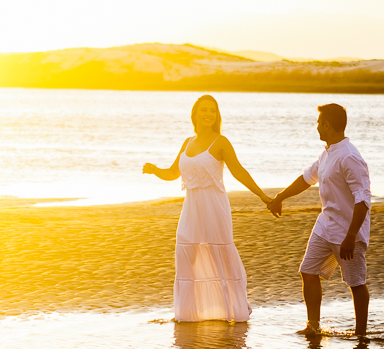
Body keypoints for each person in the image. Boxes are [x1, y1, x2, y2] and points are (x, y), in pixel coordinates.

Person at [143, 95, 274, 322]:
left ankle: (236, 308)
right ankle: (188, 313)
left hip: (214, 206)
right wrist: (155, 170)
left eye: (212, 111)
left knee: (219, 255)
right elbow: (174, 173)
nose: (208, 114)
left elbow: (239, 172)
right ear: (194, 114)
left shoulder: (220, 142)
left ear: (217, 115)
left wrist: (263, 195)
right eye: (204, 110)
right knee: (187, 254)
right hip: (191, 208)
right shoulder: (187, 142)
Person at [267, 103, 371, 336]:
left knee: (356, 283)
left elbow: (363, 199)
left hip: (348, 231)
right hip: (326, 226)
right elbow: (306, 179)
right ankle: (313, 327)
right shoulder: (327, 153)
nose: (316, 127)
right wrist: (280, 197)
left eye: (318, 123)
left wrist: (351, 236)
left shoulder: (350, 157)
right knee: (308, 271)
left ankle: (361, 335)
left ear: (327, 124)